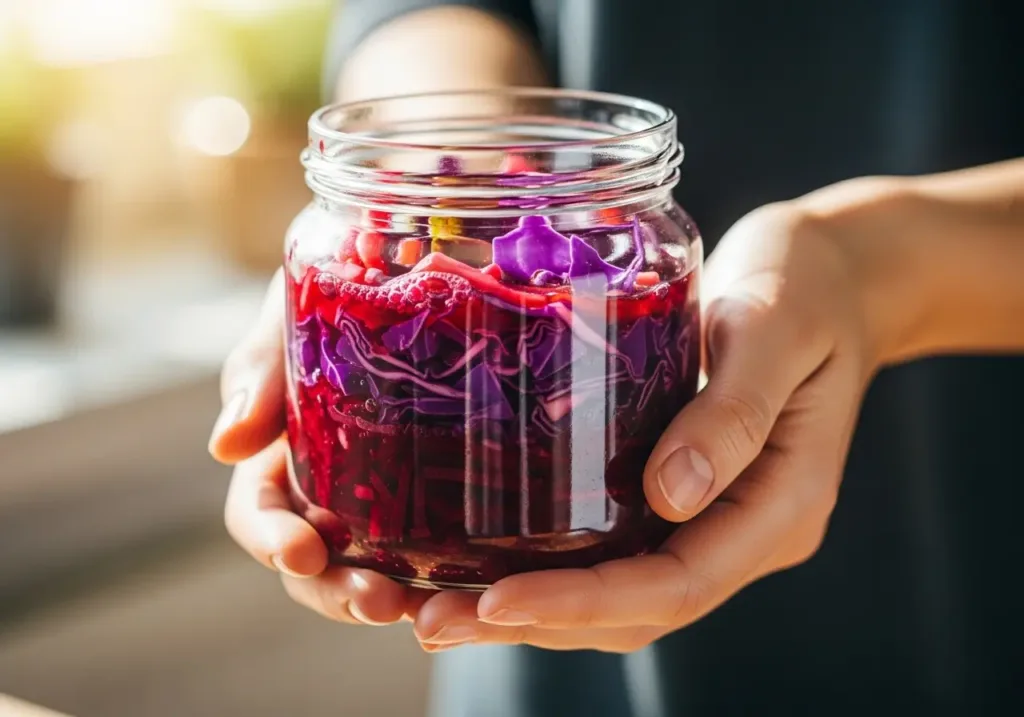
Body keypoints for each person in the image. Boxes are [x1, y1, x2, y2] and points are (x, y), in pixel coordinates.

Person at [207, 1, 1024, 714]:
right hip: (529, 662)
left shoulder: (664, 248)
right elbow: (439, 8)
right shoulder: (332, 251)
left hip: (964, 569)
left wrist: (874, 270)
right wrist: (436, 193)